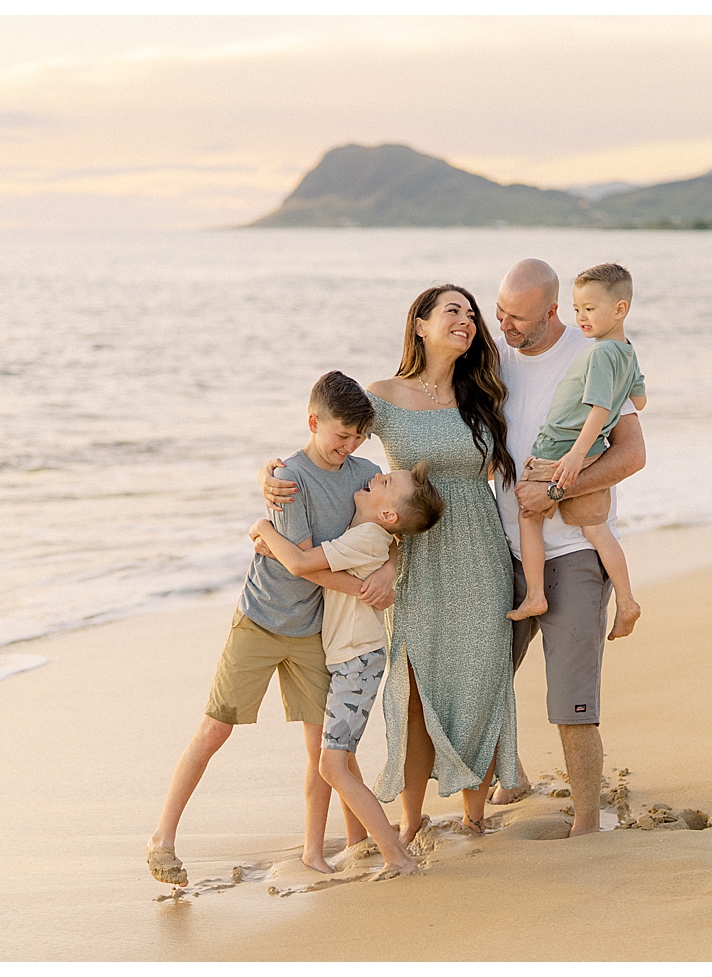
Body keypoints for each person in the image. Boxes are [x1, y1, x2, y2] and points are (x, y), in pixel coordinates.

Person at [259, 284, 521, 839]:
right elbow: (330, 439)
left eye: (472, 315)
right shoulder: (382, 395)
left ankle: (475, 820)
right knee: (413, 687)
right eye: (454, 310)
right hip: (412, 557)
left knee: (480, 680)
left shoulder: (485, 395)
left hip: (480, 555)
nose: (467, 320)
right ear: (420, 324)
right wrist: (273, 473)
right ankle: (409, 823)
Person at [145, 371, 394, 886]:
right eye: (339, 435)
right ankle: (162, 839)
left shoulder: (366, 473)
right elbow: (299, 560)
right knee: (215, 729)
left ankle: (316, 851)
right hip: (260, 619)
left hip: (314, 631)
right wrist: (357, 584)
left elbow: (398, 527)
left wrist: (390, 570)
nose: (346, 448)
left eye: (356, 438)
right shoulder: (288, 479)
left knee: (321, 748)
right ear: (313, 422)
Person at [489, 258, 647, 835]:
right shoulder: (494, 361)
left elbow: (632, 455)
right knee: (484, 678)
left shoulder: (593, 355)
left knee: (572, 697)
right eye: (499, 313)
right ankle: (510, 779)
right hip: (500, 549)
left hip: (574, 549)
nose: (504, 327)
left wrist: (556, 490)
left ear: (552, 312)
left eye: (517, 319)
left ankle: (586, 820)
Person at [248, 461, 446, 877]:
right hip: (350, 658)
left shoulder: (365, 538)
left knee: (331, 765)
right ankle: (363, 841)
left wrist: (264, 530)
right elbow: (315, 566)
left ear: (388, 515)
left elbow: (303, 565)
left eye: (386, 482)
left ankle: (397, 856)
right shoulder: (371, 536)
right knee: (341, 758)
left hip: (356, 662)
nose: (374, 478)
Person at [507, 262, 646, 640]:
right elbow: (640, 398)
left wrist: (572, 456)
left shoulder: (598, 354)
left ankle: (535, 594)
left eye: (590, 309)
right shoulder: (626, 352)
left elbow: (600, 408)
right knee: (597, 529)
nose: (581, 318)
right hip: (592, 450)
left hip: (560, 448)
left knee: (527, 510)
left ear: (620, 309)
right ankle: (628, 600)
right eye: (577, 309)